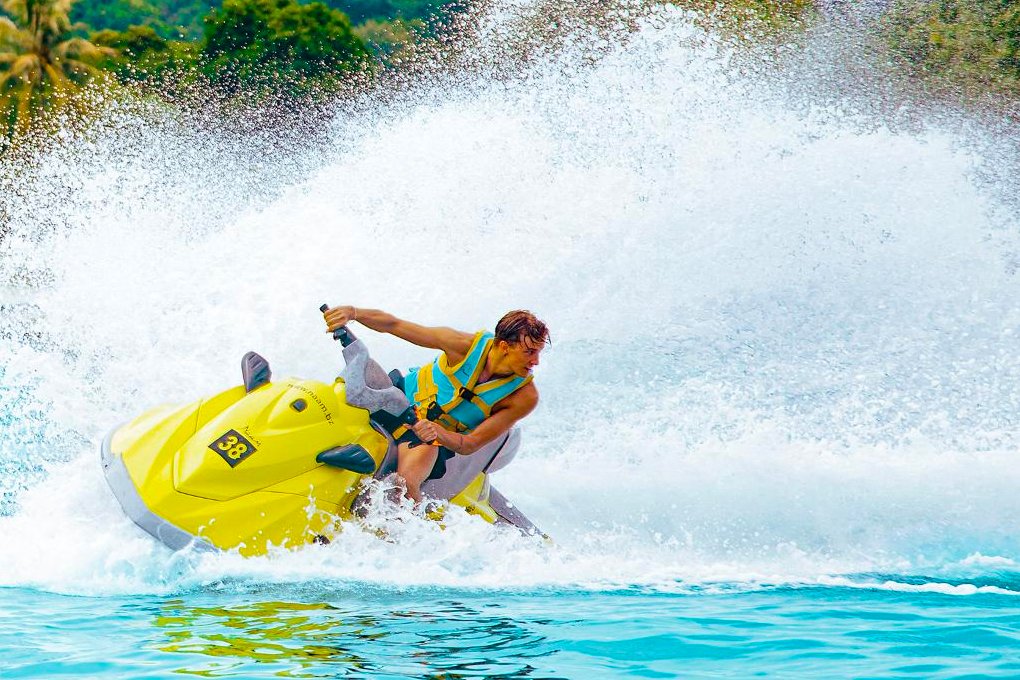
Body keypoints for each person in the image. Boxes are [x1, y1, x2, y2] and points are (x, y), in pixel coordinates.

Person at [322, 305, 548, 503]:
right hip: (391, 400)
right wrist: (353, 312)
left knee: (402, 488)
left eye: (538, 352)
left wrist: (437, 432)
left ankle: (400, 530)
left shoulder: (523, 397)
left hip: (425, 439)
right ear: (504, 346)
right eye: (529, 352)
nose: (536, 361)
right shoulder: (461, 346)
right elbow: (394, 324)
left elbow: (469, 444)